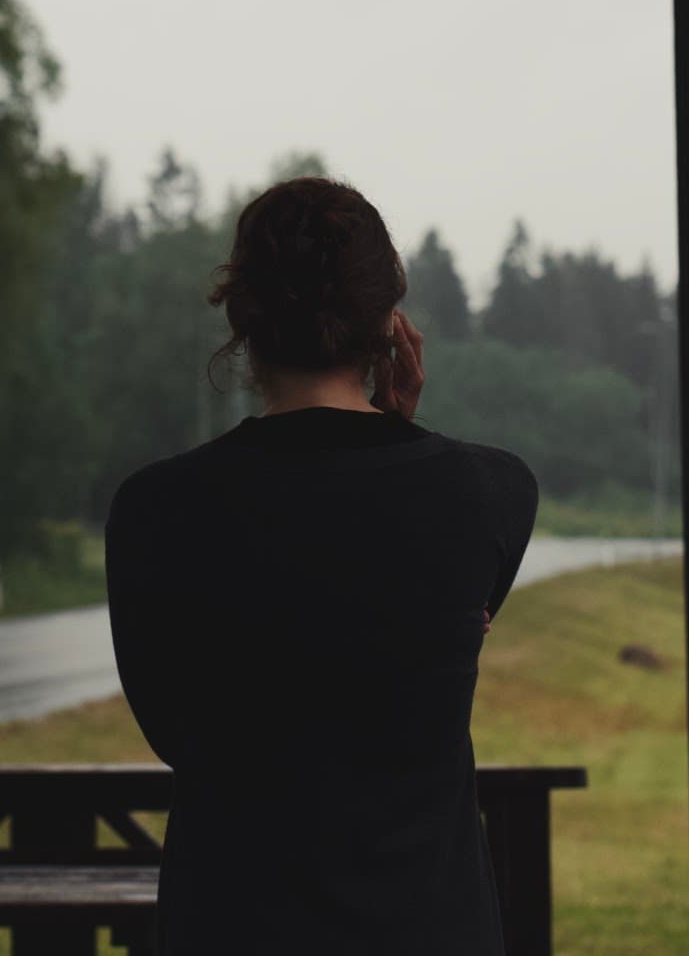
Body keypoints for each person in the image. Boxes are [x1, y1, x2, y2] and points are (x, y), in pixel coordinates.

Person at [104, 176, 539, 956]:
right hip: (429, 930)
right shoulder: (492, 492)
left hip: (232, 924)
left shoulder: (154, 510)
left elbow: (174, 733)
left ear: (243, 319)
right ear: (387, 325)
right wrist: (399, 430)